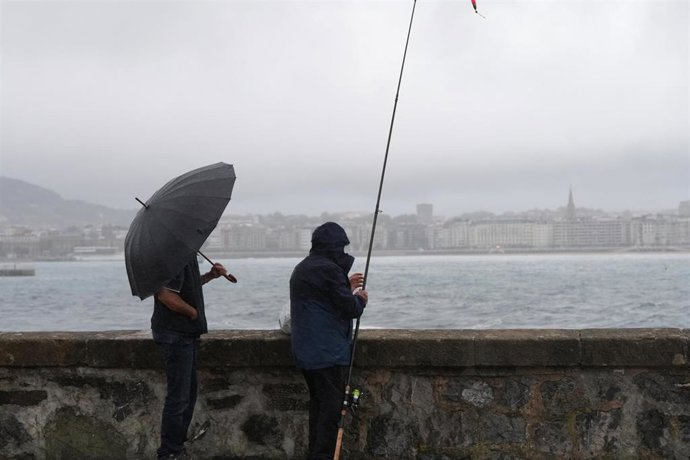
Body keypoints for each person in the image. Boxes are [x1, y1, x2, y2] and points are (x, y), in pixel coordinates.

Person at [289, 222, 369, 460]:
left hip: (306, 351)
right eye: (341, 248)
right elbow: (349, 308)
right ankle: (323, 455)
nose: (343, 253)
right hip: (326, 353)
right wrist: (360, 299)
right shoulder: (329, 270)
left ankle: (316, 453)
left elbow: (321, 296)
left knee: (319, 406)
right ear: (335, 247)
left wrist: (345, 285)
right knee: (331, 409)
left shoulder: (305, 267)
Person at [151, 257, 229, 459]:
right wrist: (192, 313)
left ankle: (176, 447)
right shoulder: (173, 258)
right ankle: (169, 452)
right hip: (175, 334)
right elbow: (166, 295)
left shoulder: (184, 256)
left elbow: (185, 288)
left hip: (183, 334)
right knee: (178, 398)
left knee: (187, 394)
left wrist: (210, 276)